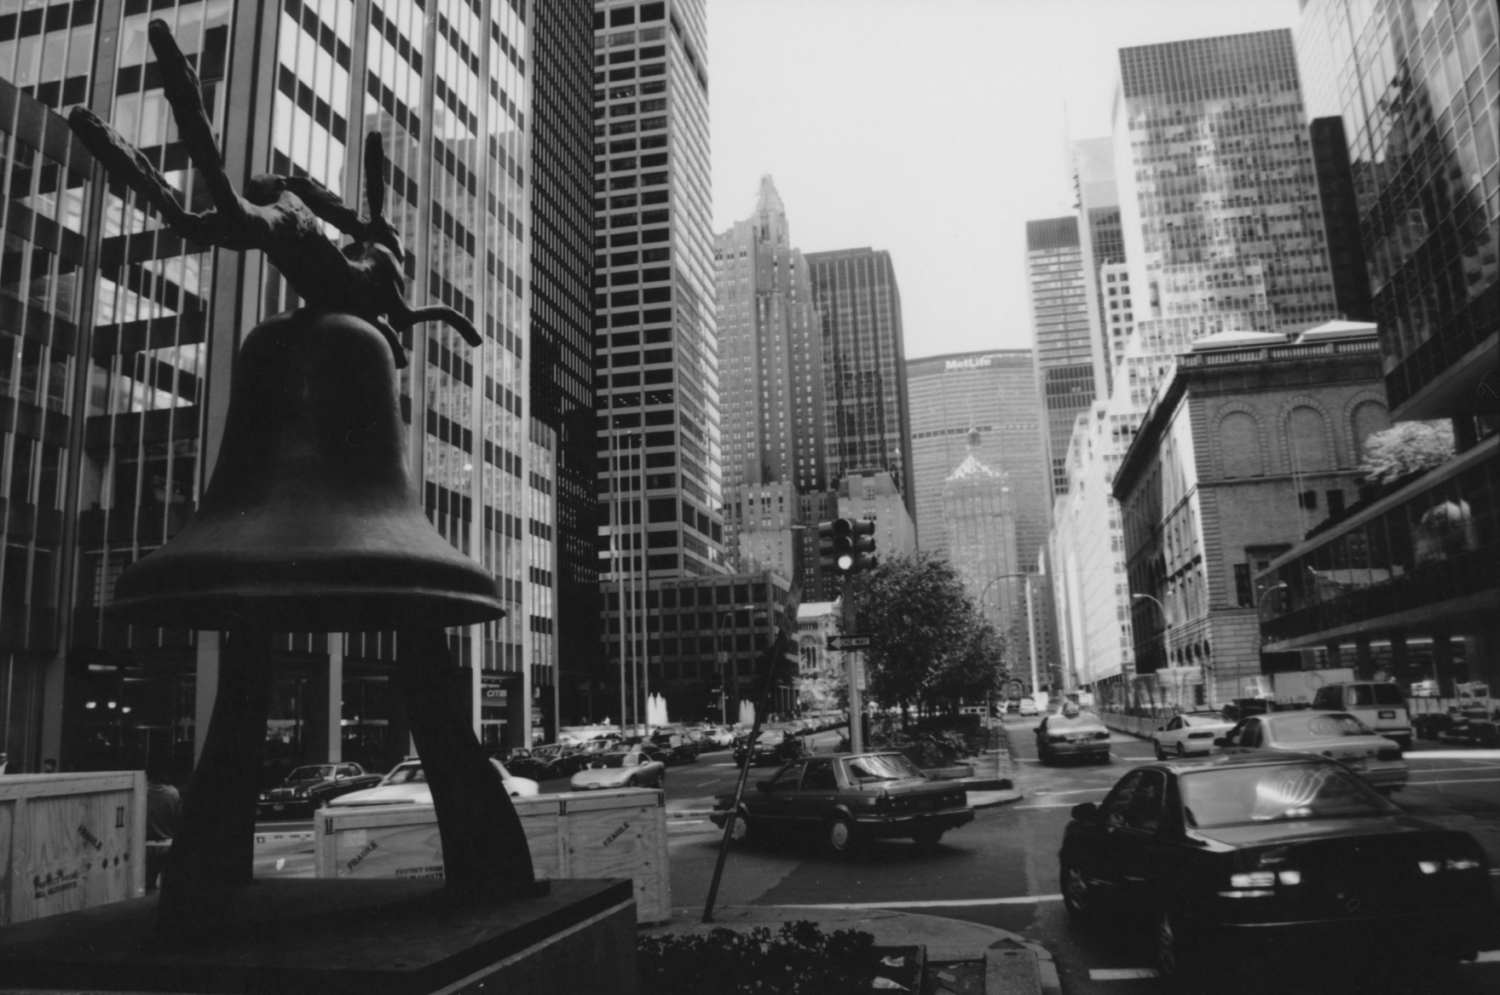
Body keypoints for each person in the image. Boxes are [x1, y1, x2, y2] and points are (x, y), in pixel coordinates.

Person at [66, 20, 479, 370]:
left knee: (191, 219)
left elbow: (390, 321)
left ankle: (122, 134)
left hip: (294, 237)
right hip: (295, 233)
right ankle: (143, 120)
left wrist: (400, 335)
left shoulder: (368, 259)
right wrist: (453, 328)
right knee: (212, 209)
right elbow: (404, 318)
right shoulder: (381, 261)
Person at [145, 768, 182, 892]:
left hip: (147, 847)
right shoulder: (173, 793)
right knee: (167, 889)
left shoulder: (142, 792)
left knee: (147, 887)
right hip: (168, 845)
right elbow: (177, 819)